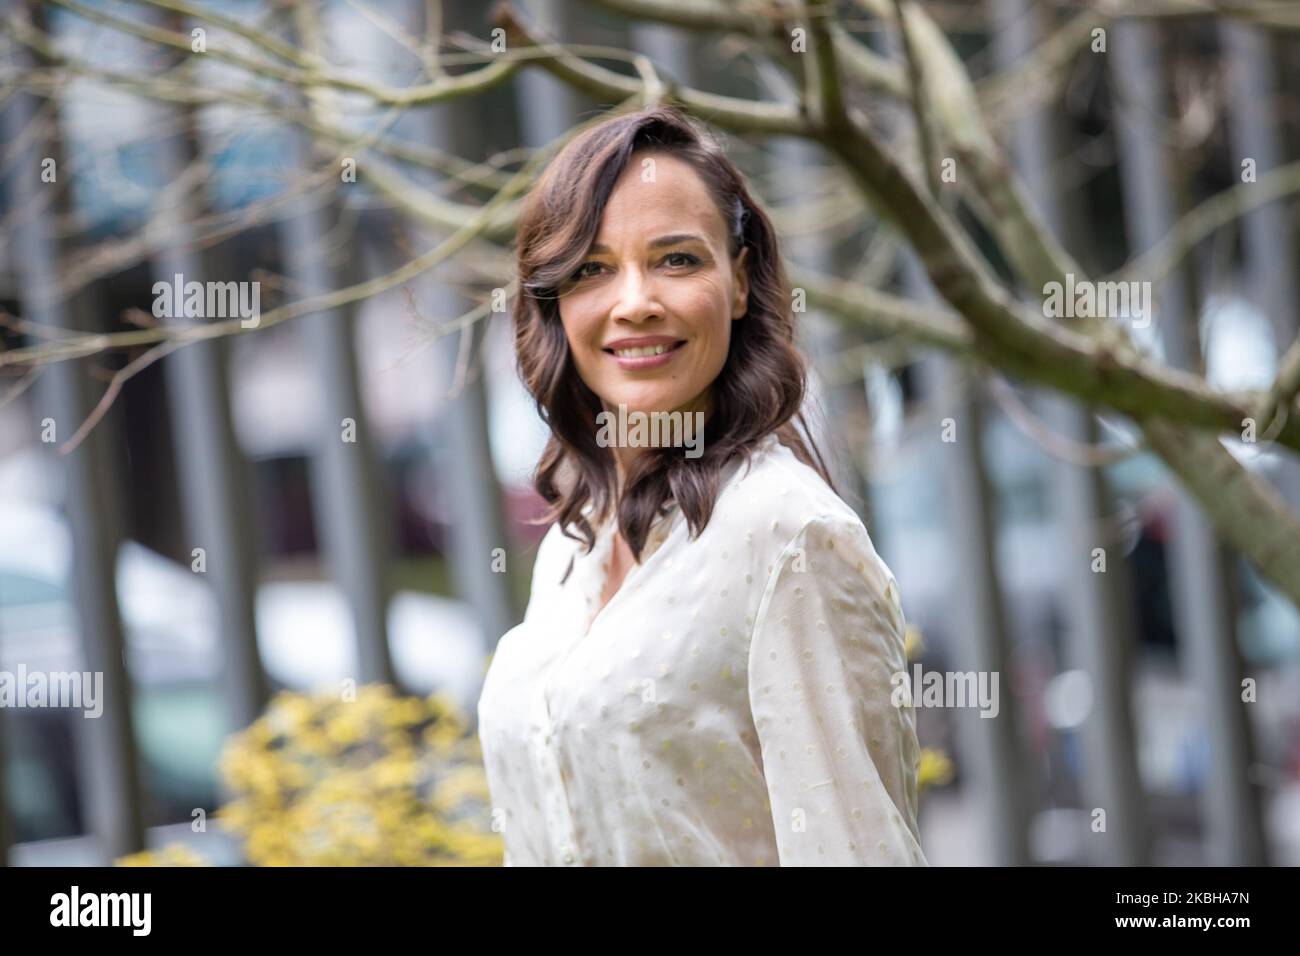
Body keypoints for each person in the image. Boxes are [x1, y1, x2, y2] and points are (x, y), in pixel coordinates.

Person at [476, 104, 927, 866]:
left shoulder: (789, 537)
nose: (634, 301)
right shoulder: (571, 542)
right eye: (591, 268)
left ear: (740, 282)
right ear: (554, 301)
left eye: (676, 259)